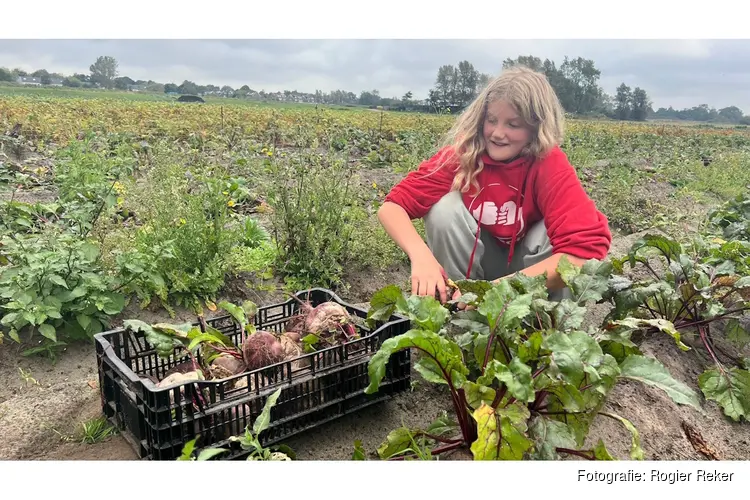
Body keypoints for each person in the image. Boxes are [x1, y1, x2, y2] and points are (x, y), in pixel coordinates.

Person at [377, 66, 612, 304]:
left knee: (552, 236)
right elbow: (392, 207)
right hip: (478, 274)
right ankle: (457, 309)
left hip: (531, 281)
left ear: (536, 128)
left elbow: (584, 254)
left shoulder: (548, 163)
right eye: (491, 120)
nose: (498, 133)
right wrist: (421, 256)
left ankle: (549, 327)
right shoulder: (465, 155)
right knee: (444, 211)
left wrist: (500, 290)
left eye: (513, 124)